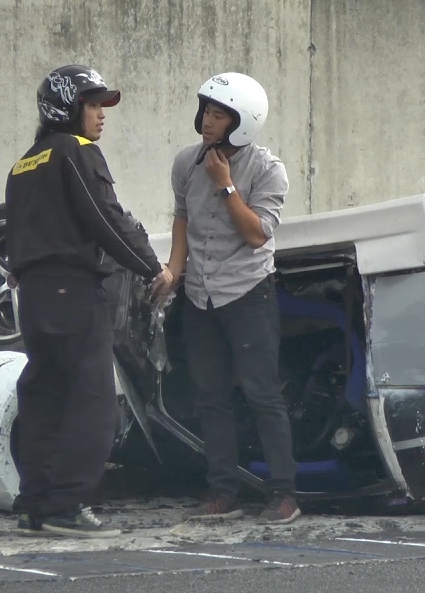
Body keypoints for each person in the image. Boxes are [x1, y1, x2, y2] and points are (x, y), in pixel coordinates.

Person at [4, 64, 173, 537]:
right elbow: (106, 217)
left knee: (44, 397)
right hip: (72, 292)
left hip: (35, 298)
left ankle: (34, 503)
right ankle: (68, 504)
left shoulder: (24, 163)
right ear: (70, 107)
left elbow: (13, 233)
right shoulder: (75, 151)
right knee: (94, 399)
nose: (102, 115)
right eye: (94, 104)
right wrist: (152, 266)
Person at [154, 72, 300, 523]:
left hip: (247, 292)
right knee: (209, 396)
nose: (207, 122)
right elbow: (182, 218)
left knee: (262, 393)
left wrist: (226, 184)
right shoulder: (186, 162)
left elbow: (258, 234)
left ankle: (284, 493)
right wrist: (175, 269)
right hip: (200, 295)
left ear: (242, 122)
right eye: (206, 112)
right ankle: (223, 491)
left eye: (219, 115)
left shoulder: (267, 169)